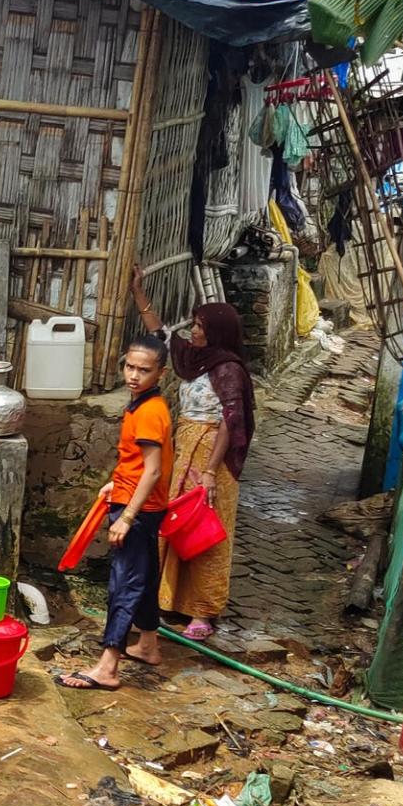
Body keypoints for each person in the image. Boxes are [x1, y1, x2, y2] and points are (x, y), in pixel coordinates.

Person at [132, 269, 256, 640]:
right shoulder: (194, 358)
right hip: (183, 448)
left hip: (210, 461)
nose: (195, 331)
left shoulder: (229, 370)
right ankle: (169, 600)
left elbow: (229, 424)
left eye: (201, 326)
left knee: (206, 531)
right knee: (175, 525)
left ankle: (202, 611)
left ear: (217, 332)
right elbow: (162, 333)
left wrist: (209, 472)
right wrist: (139, 294)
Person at [58, 334, 172, 691]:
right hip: (137, 500)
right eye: (130, 367)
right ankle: (149, 645)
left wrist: (126, 516)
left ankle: (108, 667)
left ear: (161, 373)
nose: (134, 375)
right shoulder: (141, 403)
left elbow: (153, 470)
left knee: (124, 583)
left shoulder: (151, 412)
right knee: (146, 575)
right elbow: (137, 463)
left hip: (138, 509)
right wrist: (115, 483)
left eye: (144, 370)